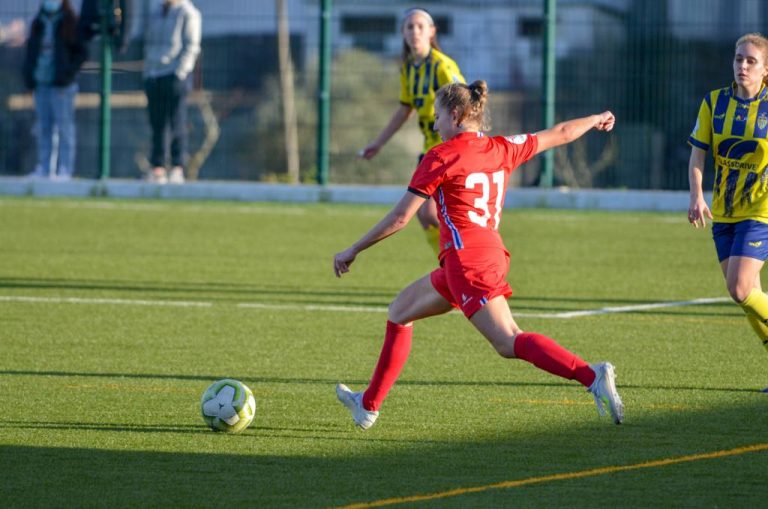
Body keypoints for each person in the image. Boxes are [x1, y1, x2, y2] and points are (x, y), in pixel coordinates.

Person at [334, 80, 624, 429]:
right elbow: (561, 133)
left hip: (466, 262)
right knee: (400, 311)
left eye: (437, 117)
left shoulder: (440, 156)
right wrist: (596, 119)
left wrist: (353, 249)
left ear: (455, 115)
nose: (434, 125)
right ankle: (368, 405)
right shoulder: (502, 147)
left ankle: (591, 375)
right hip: (487, 253)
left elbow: (400, 217)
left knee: (508, 340)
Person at [688, 33, 768, 392]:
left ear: (765, 69)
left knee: (739, 289)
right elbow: (698, 154)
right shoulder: (714, 102)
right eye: (738, 59)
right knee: (750, 296)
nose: (743, 66)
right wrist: (696, 196)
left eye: (751, 61)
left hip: (761, 212)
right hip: (723, 213)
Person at [359, 7, 464, 256]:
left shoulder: (442, 66)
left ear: (431, 32)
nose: (415, 31)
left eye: (420, 26)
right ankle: (449, 262)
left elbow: (465, 103)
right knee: (425, 216)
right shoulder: (408, 69)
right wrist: (378, 143)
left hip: (449, 148)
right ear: (403, 33)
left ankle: (461, 257)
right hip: (430, 149)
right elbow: (405, 110)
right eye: (410, 27)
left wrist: (464, 143)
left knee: (429, 212)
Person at [22, 0, 86, 180]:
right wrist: (29, 78)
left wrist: (67, 74)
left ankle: (65, 169)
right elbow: (31, 53)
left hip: (62, 86)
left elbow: (81, 53)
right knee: (43, 128)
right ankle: (44, 168)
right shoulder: (38, 23)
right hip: (41, 83)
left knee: (65, 128)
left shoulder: (70, 22)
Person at [140, 0, 201, 184]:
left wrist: (180, 72)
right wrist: (148, 71)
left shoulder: (188, 12)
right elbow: (148, 44)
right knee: (157, 124)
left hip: (174, 75)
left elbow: (192, 46)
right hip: (154, 75)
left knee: (177, 122)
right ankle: (157, 167)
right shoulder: (156, 13)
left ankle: (177, 167)